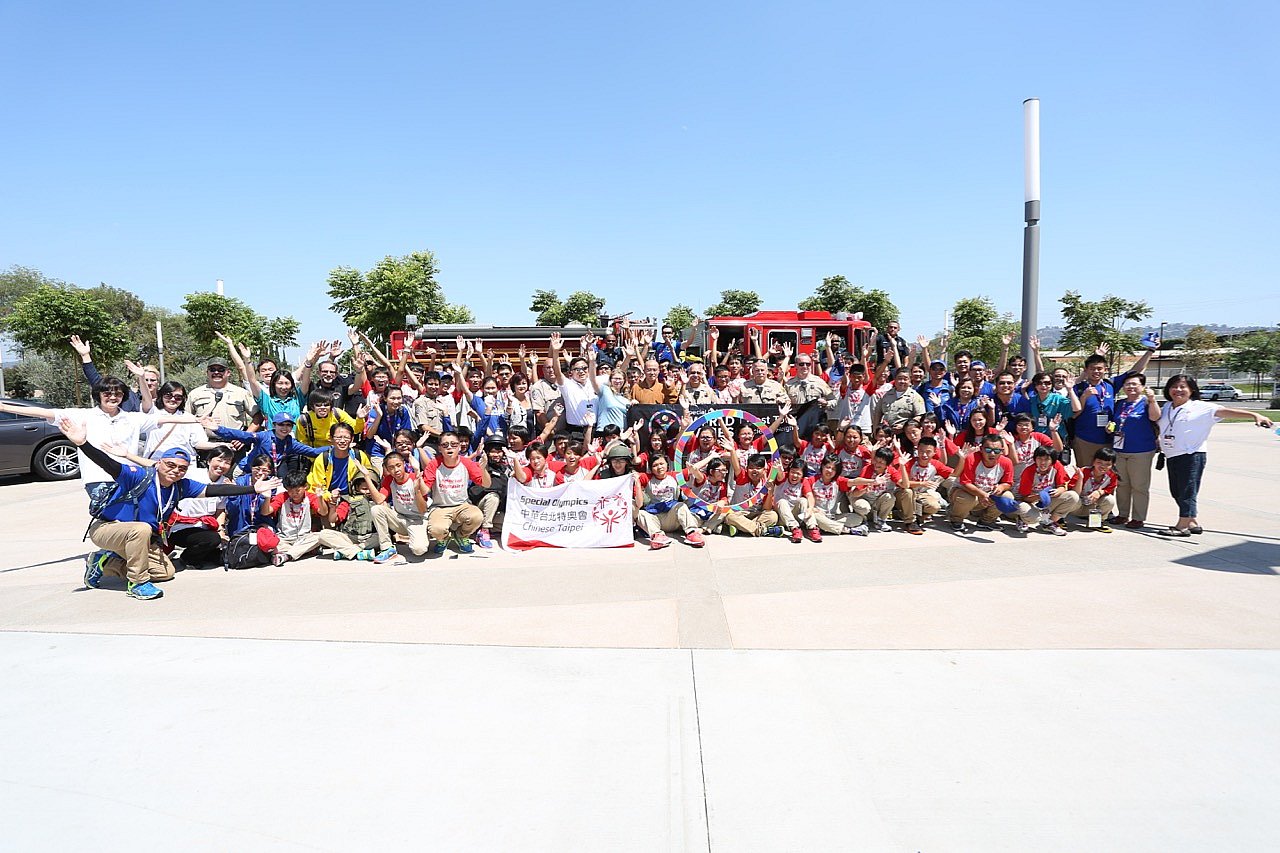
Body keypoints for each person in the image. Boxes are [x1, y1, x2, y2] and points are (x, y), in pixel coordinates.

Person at [66, 419, 279, 601]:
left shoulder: (181, 486)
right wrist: (83, 443)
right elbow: (108, 464)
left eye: (182, 468)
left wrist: (253, 488)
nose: (176, 470)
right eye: (170, 465)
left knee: (165, 572)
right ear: (158, 463)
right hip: (108, 529)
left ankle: (104, 563)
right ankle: (137, 584)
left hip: (142, 538)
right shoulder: (138, 476)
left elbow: (215, 490)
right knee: (141, 529)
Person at [1154, 374, 1273, 537]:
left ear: (1192, 390)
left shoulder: (1202, 407)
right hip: (1172, 455)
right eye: (1174, 386)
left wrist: (1254, 415)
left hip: (1192, 455)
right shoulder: (1167, 407)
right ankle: (1192, 521)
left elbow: (1227, 412)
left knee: (1187, 491)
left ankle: (1182, 526)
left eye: (1183, 387)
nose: (1178, 390)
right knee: (1177, 491)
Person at [167, 447, 238, 569]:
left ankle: (199, 555)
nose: (222, 465)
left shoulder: (225, 483)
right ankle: (187, 559)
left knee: (218, 551)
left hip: (204, 527)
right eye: (219, 460)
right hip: (180, 526)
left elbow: (220, 510)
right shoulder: (192, 473)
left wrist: (221, 530)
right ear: (209, 461)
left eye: (227, 462)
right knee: (212, 539)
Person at [420, 431, 490, 554]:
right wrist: (418, 479)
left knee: (477, 517)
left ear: (459, 447)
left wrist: (483, 469)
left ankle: (461, 536)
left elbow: (486, 484)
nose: (449, 447)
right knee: (436, 529)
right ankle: (444, 539)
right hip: (440, 507)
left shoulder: (466, 463)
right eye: (445, 445)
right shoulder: (434, 464)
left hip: (462, 505)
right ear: (440, 448)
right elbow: (425, 490)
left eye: (453, 444)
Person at [1108, 374, 1162, 528]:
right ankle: (1123, 514)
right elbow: (1116, 421)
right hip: (1120, 449)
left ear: (1142, 387)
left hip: (1141, 450)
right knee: (1122, 484)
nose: (1130, 387)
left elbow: (1155, 417)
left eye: (1134, 384)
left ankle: (1138, 517)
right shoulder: (1120, 403)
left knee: (1139, 486)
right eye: (1127, 384)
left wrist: (1152, 400)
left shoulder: (1146, 402)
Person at [318, 462, 399, 563]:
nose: (367, 491)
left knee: (383, 538)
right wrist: (333, 506)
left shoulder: (380, 502)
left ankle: (348, 551)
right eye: (364, 489)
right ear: (356, 487)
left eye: (370, 488)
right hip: (351, 537)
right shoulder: (349, 501)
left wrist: (383, 504)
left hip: (372, 537)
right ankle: (359, 552)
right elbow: (333, 520)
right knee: (323, 534)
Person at [206, 412, 322, 478]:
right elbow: (242, 435)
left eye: (288, 425)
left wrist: (331, 448)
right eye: (281, 424)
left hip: (265, 475)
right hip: (245, 471)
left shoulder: (291, 443)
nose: (285, 428)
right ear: (274, 425)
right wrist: (218, 429)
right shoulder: (264, 436)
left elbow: (313, 452)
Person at [949, 433, 1018, 533]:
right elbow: (965, 483)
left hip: (987, 495)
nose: (992, 454)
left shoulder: (1006, 462)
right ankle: (956, 519)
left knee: (1007, 497)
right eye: (988, 450)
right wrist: (982, 495)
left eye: (997, 451)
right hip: (965, 492)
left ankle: (986, 521)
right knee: (967, 498)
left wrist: (1001, 487)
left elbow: (1008, 483)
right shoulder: (972, 458)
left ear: (1002, 451)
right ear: (981, 449)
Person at [70, 334, 157, 413]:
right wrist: (85, 356)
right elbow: (97, 381)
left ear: (158, 382)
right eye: (145, 380)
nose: (149, 383)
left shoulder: (164, 399)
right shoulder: (128, 397)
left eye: (152, 380)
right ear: (138, 381)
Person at [635, 455, 705, 549]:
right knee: (640, 513)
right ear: (651, 468)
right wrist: (636, 480)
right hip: (655, 519)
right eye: (655, 465)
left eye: (661, 463)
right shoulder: (646, 478)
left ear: (667, 464)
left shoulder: (674, 476)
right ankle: (657, 536)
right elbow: (630, 477)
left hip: (671, 517)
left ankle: (692, 533)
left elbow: (693, 469)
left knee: (681, 505)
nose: (659, 467)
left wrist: (712, 456)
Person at [1015, 446, 1078, 536]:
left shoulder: (1057, 466)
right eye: (1039, 459)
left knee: (1072, 496)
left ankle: (1049, 522)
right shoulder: (1029, 471)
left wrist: (1059, 490)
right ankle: (1022, 518)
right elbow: (1024, 497)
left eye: (1047, 459)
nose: (1043, 462)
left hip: (1048, 500)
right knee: (1034, 518)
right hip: (1030, 501)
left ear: (1052, 461)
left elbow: (1063, 486)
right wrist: (1039, 496)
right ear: (1035, 459)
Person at [186, 356, 258, 433]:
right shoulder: (195, 394)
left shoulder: (241, 393)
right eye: (212, 369)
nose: (216, 372)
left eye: (221, 370)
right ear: (207, 373)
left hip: (233, 440)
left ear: (228, 373)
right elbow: (185, 417)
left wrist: (245, 435)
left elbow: (258, 416)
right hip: (203, 440)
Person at [898, 436, 953, 535]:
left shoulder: (935, 464)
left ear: (934, 452)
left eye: (928, 452)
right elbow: (903, 484)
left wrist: (962, 458)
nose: (924, 455)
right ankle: (910, 522)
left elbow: (955, 473)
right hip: (904, 494)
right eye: (921, 451)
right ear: (917, 450)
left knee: (935, 506)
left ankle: (919, 518)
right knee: (908, 491)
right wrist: (921, 483)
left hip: (922, 495)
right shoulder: (909, 462)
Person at [306, 422, 375, 497]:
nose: (342, 441)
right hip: (329, 495)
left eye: (346, 437)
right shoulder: (323, 458)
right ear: (331, 439)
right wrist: (329, 496)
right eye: (338, 437)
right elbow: (317, 485)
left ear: (352, 439)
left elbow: (370, 478)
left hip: (353, 496)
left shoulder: (359, 456)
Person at [1068, 447, 1119, 533]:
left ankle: (1095, 523)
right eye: (1099, 462)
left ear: (1113, 465)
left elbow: (1109, 490)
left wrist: (1099, 492)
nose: (1103, 466)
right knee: (1072, 496)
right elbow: (1074, 494)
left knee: (1109, 499)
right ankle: (1059, 520)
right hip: (1076, 507)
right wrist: (1080, 478)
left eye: (1107, 464)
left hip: (1092, 507)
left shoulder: (1112, 476)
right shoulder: (1084, 471)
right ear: (1093, 461)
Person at [772, 458, 821, 543]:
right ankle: (795, 529)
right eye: (792, 472)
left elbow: (809, 495)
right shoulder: (784, 477)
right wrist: (779, 470)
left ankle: (812, 528)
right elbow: (780, 476)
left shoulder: (803, 481)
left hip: (795, 514)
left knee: (803, 500)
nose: (794, 475)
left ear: (802, 475)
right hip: (781, 516)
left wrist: (810, 509)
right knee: (782, 501)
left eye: (798, 473)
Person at [872, 369, 926, 434]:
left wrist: (904, 427)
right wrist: (875, 432)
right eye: (899, 378)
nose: (902, 381)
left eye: (905, 379)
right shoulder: (886, 396)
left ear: (910, 380)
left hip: (907, 434)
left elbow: (920, 416)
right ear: (895, 379)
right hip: (888, 434)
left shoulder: (915, 397)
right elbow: (877, 415)